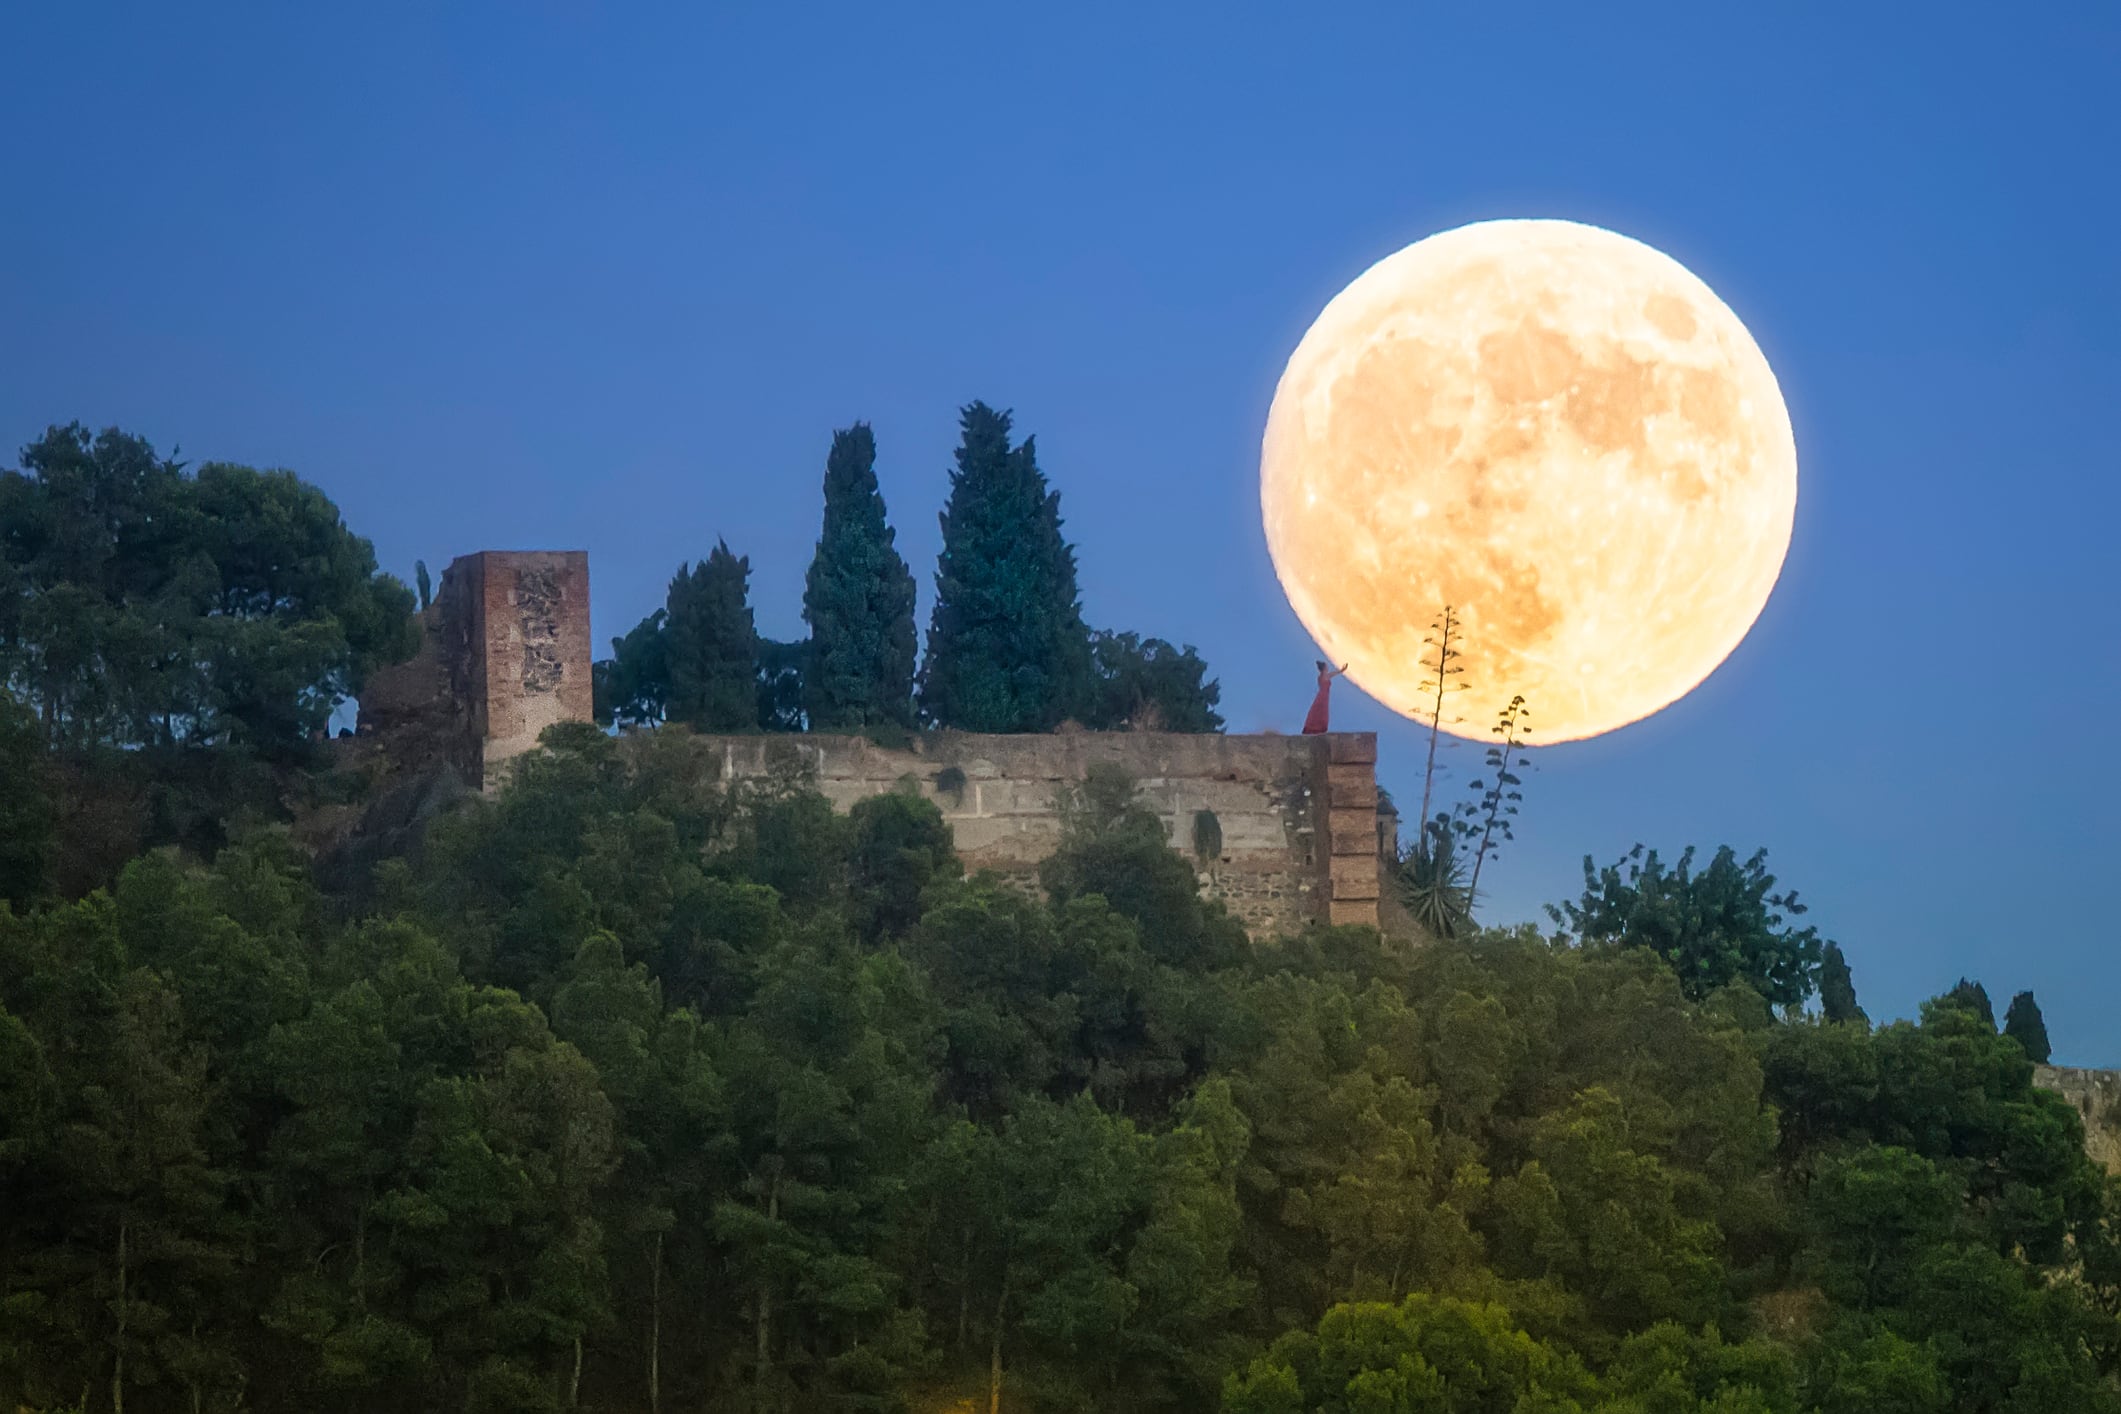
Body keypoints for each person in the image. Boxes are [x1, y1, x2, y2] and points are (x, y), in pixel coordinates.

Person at [1302, 660, 1348, 734]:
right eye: (1326, 666)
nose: (1328, 667)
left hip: (1322, 695)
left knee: (1319, 711)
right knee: (1321, 712)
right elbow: (1333, 674)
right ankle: (1317, 728)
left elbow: (1333, 674)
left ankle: (1315, 728)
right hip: (1323, 696)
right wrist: (1341, 670)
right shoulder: (1325, 676)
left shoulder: (1321, 676)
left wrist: (1341, 670)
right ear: (1324, 668)